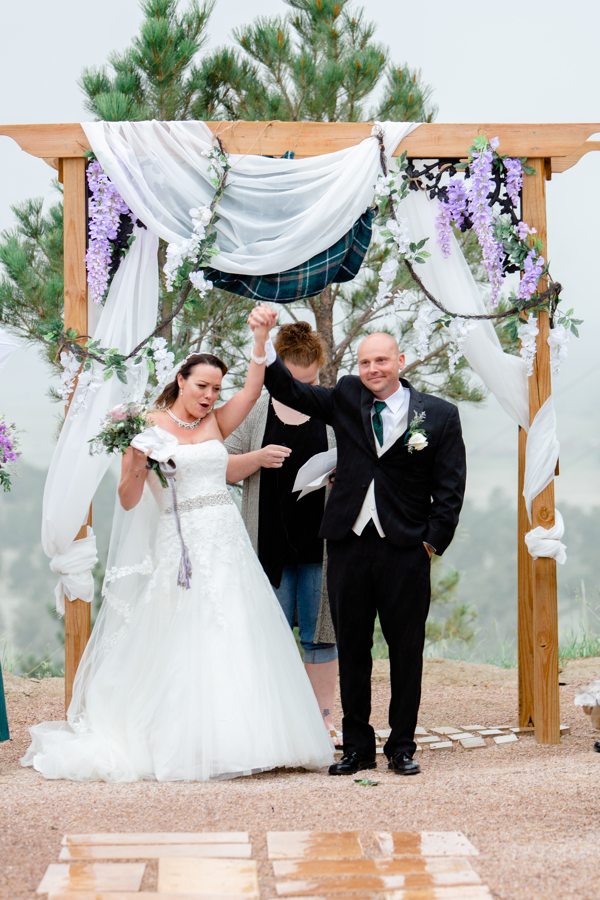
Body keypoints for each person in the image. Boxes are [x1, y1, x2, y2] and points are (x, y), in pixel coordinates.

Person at [22, 308, 334, 782]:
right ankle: (187, 739)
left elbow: (254, 389)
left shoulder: (217, 424)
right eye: (202, 386)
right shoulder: (146, 428)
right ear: (180, 381)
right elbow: (129, 501)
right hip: (180, 546)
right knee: (186, 637)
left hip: (226, 542)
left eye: (214, 389)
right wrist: (134, 467)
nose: (209, 396)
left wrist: (260, 339)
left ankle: (255, 737)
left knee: (239, 634)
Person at [254, 310, 466, 778]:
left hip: (406, 549)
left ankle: (402, 747)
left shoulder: (440, 416)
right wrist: (263, 342)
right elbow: (291, 390)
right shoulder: (347, 396)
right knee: (350, 647)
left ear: (400, 361)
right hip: (348, 544)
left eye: (382, 360)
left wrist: (431, 543)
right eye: (365, 361)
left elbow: (449, 489)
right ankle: (357, 748)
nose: (373, 369)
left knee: (405, 649)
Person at [225, 322, 341, 746]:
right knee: (266, 637)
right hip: (267, 542)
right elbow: (218, 464)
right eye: (294, 381)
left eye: (310, 382)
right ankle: (267, 725)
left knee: (320, 636)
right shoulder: (255, 409)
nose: (302, 390)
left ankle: (323, 720)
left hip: (320, 544)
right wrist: (257, 458)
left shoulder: (331, 409)